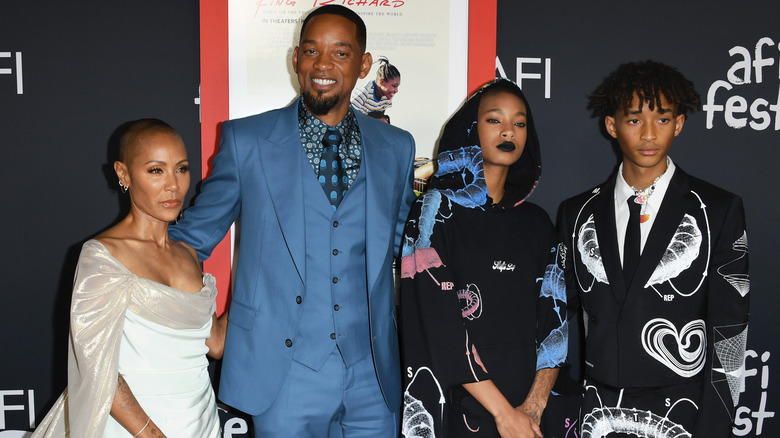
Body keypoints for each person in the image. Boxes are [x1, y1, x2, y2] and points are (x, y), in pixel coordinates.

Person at [168, 5, 416, 437]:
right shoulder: (247, 142)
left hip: (373, 376)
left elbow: (406, 248)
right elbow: (187, 241)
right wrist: (202, 324)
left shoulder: (396, 147)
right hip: (282, 375)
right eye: (311, 50)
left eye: (340, 53)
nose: (323, 64)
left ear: (362, 65)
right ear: (296, 59)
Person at [557, 60, 750, 437]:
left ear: (679, 123)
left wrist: (714, 425)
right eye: (634, 120)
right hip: (597, 411)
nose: (648, 134)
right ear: (611, 125)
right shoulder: (575, 212)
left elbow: (731, 327)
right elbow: (560, 318)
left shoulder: (718, 208)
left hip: (685, 411)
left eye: (662, 120)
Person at [32, 119, 226, 438]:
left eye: (181, 169)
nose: (173, 185)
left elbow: (214, 342)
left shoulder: (189, 255)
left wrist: (259, 273)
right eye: (155, 170)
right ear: (124, 174)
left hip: (202, 425)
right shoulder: (103, 256)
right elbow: (97, 370)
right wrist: (152, 435)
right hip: (134, 431)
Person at [400, 78, 567, 438]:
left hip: (527, 415)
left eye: (519, 123)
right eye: (495, 120)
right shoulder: (434, 210)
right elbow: (436, 323)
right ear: (471, 127)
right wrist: (503, 414)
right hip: (457, 405)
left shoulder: (538, 223)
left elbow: (556, 321)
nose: (509, 130)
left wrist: (532, 409)